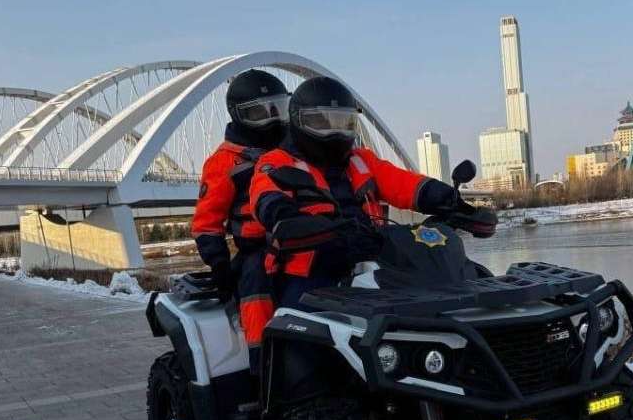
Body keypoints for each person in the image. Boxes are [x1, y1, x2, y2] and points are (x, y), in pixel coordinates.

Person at [239, 75, 467, 361]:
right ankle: (287, 392)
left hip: (372, 258)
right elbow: (267, 199)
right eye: (322, 122)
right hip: (310, 271)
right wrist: (288, 220)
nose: (335, 131)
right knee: (303, 346)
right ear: (298, 122)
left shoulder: (361, 159)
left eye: (344, 122)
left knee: (435, 308)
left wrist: (450, 200)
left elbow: (402, 182)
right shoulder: (275, 162)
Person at [190, 69, 289, 356]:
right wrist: (219, 264)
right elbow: (207, 222)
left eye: (277, 109)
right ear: (239, 116)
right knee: (255, 286)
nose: (271, 120)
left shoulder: (295, 151)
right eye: (259, 113)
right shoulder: (224, 162)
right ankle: (263, 359)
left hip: (302, 237)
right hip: (258, 247)